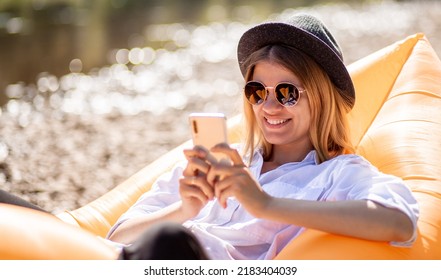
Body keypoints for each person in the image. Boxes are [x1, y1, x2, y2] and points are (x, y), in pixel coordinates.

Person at [105, 13, 419, 260]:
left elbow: (398, 220)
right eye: (257, 91)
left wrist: (265, 204)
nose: (268, 106)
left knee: (167, 242)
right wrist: (184, 209)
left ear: (322, 97)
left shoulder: (338, 172)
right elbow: (115, 239)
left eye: (287, 92)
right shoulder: (223, 162)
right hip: (155, 260)